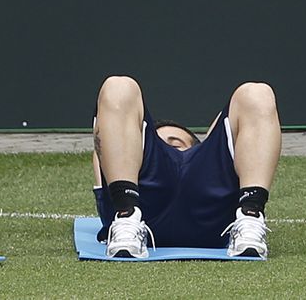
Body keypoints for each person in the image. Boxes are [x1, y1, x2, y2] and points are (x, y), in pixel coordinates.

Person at [91, 76, 280, 259]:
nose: (168, 146)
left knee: (256, 93)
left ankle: (251, 216)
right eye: (161, 143)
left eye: (175, 142)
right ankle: (127, 215)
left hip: (213, 212)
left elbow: (233, 132)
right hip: (140, 206)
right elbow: (106, 139)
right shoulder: (134, 156)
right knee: (118, 86)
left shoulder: (206, 160)